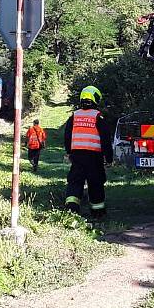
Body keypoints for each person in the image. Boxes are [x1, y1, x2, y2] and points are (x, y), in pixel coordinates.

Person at [64, 86, 112, 218]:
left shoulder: (74, 116)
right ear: (95, 99)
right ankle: (98, 212)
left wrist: (69, 152)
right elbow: (106, 140)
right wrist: (109, 159)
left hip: (77, 156)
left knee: (75, 181)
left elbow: (67, 136)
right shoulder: (98, 117)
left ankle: (71, 209)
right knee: (95, 183)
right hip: (94, 157)